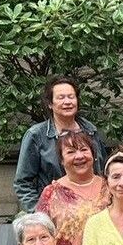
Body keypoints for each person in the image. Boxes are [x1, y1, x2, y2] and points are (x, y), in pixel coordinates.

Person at [34, 131, 111, 245]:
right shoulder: (51, 194)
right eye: (70, 152)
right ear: (61, 160)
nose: (79, 156)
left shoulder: (111, 188)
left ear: (93, 154)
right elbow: (39, 237)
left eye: (84, 149)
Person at [13, 75, 107, 212]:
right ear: (50, 104)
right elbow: (23, 183)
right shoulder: (36, 135)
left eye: (71, 97)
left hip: (96, 211)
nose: (67, 102)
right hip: (56, 214)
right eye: (61, 97)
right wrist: (41, 214)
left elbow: (103, 171)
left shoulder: (90, 131)